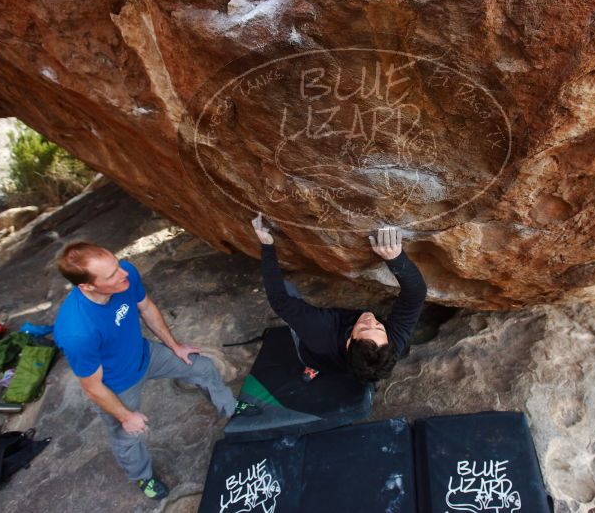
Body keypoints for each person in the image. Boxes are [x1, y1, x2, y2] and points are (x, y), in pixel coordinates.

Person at [52, 242, 259, 500]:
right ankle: (142, 477)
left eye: (117, 265)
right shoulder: (77, 331)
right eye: (112, 275)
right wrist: (126, 416)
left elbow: (147, 308)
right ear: (87, 286)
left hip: (146, 354)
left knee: (202, 366)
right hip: (117, 384)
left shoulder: (125, 275)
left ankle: (229, 407)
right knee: (128, 436)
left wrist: (174, 346)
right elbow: (92, 387)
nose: (123, 273)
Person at [252, 214, 427, 383]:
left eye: (365, 328)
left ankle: (311, 367)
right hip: (353, 361)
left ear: (350, 341)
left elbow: (279, 301)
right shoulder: (391, 345)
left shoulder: (320, 332)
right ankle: (363, 376)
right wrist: (397, 259)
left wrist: (267, 246)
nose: (371, 320)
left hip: (316, 355)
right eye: (380, 328)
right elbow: (415, 295)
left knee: (311, 356)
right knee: (363, 371)